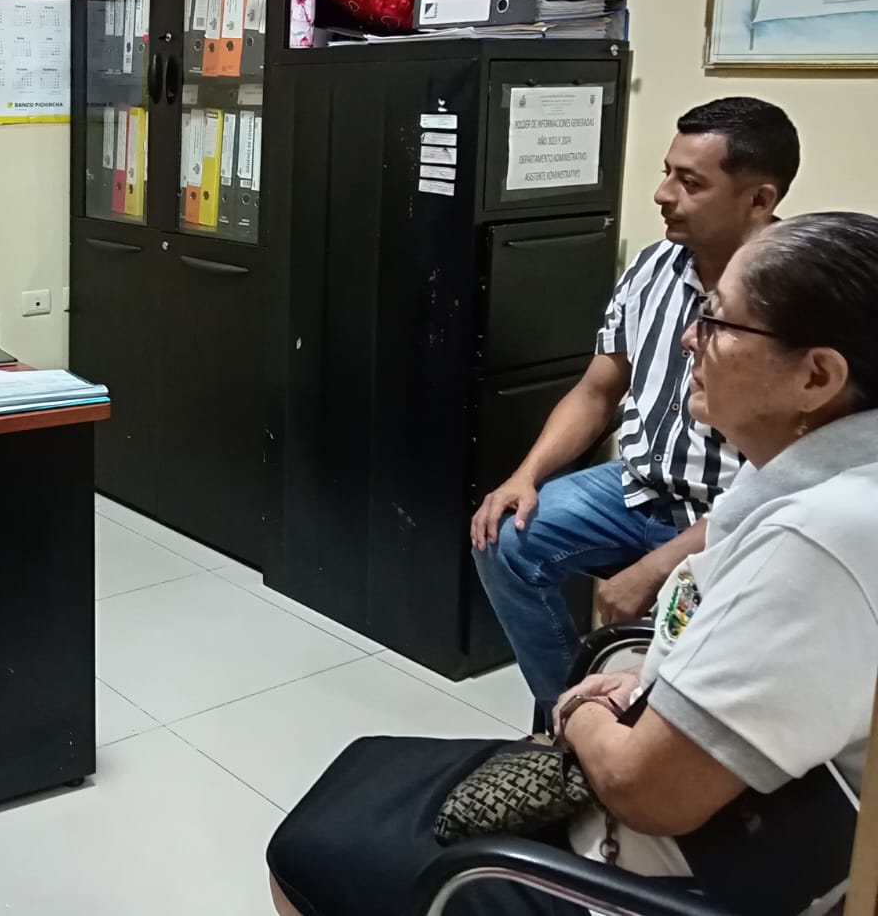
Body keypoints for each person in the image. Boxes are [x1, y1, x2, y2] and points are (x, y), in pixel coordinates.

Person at [269, 211, 878, 916]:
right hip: (677, 720)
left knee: (310, 849)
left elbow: (646, 789)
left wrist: (579, 710)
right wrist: (640, 681)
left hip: (663, 867)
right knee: (377, 755)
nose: (691, 337)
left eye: (716, 322)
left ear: (816, 375)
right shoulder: (815, 471)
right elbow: (599, 392)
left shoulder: (816, 543)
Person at [471, 97, 799, 718]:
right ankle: (568, 714)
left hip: (734, 513)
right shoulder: (652, 267)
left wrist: (657, 567)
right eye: (667, 172)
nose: (662, 194)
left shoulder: (798, 296)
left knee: (689, 652)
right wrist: (525, 475)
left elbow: (786, 480)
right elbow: (598, 390)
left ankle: (642, 730)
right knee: (504, 537)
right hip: (636, 487)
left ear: (759, 199)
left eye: (690, 182)